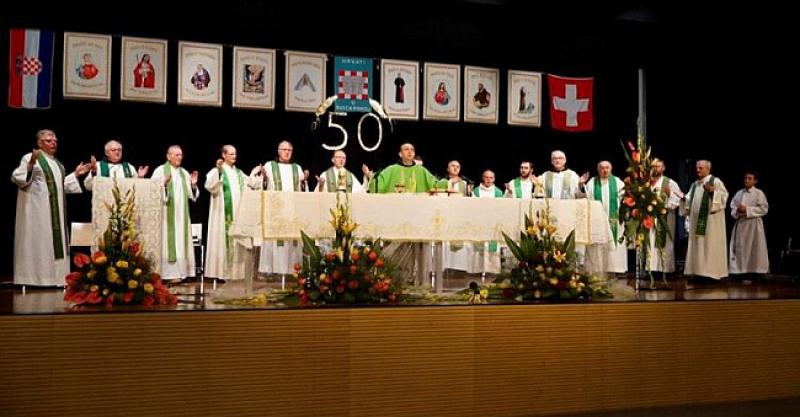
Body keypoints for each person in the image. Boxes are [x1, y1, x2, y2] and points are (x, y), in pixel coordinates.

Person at [12, 129, 91, 286]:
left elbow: (59, 187)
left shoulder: (57, 164)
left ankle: (56, 279)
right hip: (38, 214)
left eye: (55, 140)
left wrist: (75, 175)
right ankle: (35, 279)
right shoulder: (31, 157)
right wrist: (30, 165)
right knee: (40, 243)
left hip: (56, 214)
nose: (53, 142)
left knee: (55, 243)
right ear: (39, 143)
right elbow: (18, 177)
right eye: (49, 140)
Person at [204, 145, 260, 281]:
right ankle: (222, 273)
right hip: (222, 215)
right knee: (223, 241)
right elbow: (210, 186)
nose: (234, 156)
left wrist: (255, 174)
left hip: (238, 215)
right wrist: (218, 171)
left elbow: (252, 184)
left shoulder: (239, 173)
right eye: (231, 154)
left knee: (237, 242)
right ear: (223, 155)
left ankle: (236, 274)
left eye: (235, 154)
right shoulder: (216, 171)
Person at [250, 140, 305, 275]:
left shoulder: (297, 168)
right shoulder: (270, 166)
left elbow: (302, 190)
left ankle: (292, 270)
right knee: (275, 238)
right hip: (275, 209)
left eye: (289, 150)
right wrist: (263, 178)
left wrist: (304, 182)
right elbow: (257, 185)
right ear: (278, 151)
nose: (287, 152)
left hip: (292, 210)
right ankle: (272, 269)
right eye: (284, 149)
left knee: (291, 239)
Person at [150, 145, 199, 280]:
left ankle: (183, 272)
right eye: (176, 155)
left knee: (182, 242)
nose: (179, 157)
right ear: (168, 156)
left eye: (181, 155)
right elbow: (152, 192)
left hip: (182, 215)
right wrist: (163, 184)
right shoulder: (160, 171)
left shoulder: (184, 172)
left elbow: (192, 196)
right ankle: (168, 274)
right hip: (166, 215)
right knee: (168, 242)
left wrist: (194, 185)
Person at [680, 160, 729, 281]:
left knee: (709, 246)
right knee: (698, 246)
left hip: (711, 223)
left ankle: (711, 273)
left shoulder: (715, 181)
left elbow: (724, 197)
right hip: (696, 222)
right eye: (697, 168)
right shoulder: (695, 184)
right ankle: (698, 271)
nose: (698, 170)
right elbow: (689, 200)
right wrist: (683, 198)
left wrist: (713, 191)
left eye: (701, 168)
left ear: (708, 169)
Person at [583, 161, 627, 274]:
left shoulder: (617, 182)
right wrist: (580, 185)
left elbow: (626, 200)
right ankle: (598, 268)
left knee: (616, 240)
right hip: (597, 219)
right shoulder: (592, 182)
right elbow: (585, 198)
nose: (605, 170)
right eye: (602, 168)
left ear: (611, 169)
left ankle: (617, 268)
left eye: (607, 168)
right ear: (598, 170)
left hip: (615, 219)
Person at [729, 171, 769, 278]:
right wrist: (738, 210)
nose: (747, 180)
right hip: (741, 224)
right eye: (746, 178)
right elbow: (732, 207)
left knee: (754, 248)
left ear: (755, 181)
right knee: (741, 247)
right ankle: (740, 271)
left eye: (750, 178)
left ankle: (756, 271)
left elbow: (764, 209)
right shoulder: (739, 193)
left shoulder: (759, 193)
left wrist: (747, 210)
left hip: (754, 225)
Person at [647, 158, 683, 274]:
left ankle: (665, 269)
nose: (655, 169)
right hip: (650, 218)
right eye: (653, 166)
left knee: (665, 242)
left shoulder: (670, 183)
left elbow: (677, 201)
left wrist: (669, 194)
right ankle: (651, 269)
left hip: (665, 218)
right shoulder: (647, 182)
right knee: (650, 242)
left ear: (663, 168)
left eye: (658, 166)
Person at [469, 170, 505, 274]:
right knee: (479, 246)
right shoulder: (475, 192)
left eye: (491, 178)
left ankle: (492, 270)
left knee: (492, 247)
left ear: (494, 179)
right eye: (486, 177)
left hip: (493, 223)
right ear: (482, 178)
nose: (488, 180)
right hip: (479, 223)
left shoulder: (498, 193)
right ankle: (478, 269)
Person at [368, 143, 436, 193]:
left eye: (412, 150)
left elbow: (435, 184)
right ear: (400, 154)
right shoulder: (391, 170)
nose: (410, 152)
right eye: (406, 149)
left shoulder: (422, 170)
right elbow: (377, 186)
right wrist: (371, 177)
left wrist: (446, 182)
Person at [84, 140, 149, 191]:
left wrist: (140, 177)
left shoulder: (128, 167)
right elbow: (88, 187)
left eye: (119, 150)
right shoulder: (98, 166)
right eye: (113, 150)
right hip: (104, 204)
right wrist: (93, 172)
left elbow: (136, 188)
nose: (117, 152)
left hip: (126, 204)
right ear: (106, 153)